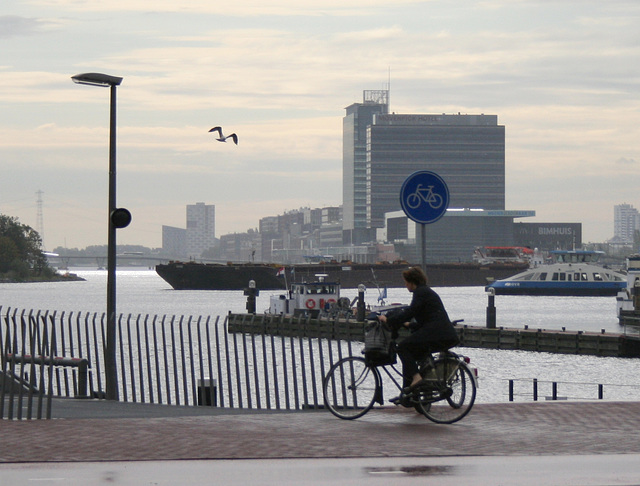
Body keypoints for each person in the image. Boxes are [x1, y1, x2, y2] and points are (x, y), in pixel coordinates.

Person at [378, 266, 459, 402]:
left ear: (412, 282)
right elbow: (427, 316)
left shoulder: (420, 293)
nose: (405, 285)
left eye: (406, 282)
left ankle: (417, 379)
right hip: (442, 332)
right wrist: (409, 324)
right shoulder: (425, 292)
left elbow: (410, 312)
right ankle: (408, 395)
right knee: (411, 356)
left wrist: (389, 320)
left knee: (402, 348)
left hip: (438, 333)